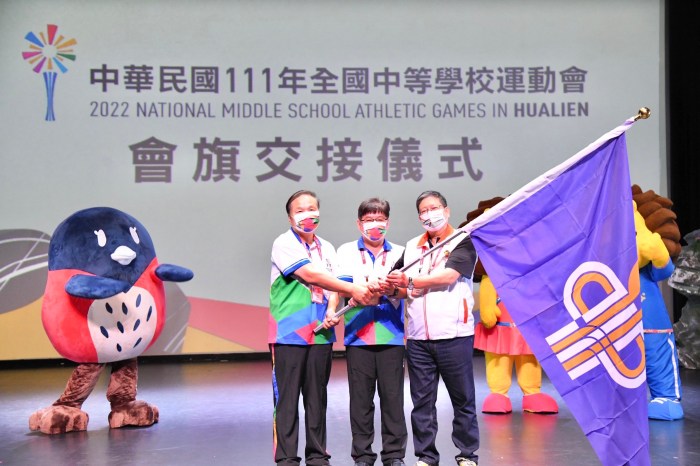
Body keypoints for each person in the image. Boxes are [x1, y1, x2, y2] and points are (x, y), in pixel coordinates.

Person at [270, 190, 374, 466]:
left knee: (317, 398)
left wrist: (332, 308)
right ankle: (287, 459)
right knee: (287, 399)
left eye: (311, 209)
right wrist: (353, 289)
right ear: (290, 217)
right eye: (300, 210)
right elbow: (311, 275)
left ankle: (317, 456)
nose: (307, 214)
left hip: (322, 333)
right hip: (289, 333)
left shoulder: (326, 247)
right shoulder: (284, 243)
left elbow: (333, 285)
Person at [386, 190, 479, 466]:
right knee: (422, 403)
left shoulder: (463, 240)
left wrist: (408, 281)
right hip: (418, 338)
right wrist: (388, 287)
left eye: (434, 208)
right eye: (423, 211)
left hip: (454, 335)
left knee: (462, 399)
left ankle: (467, 454)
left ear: (446, 211)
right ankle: (426, 456)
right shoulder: (412, 246)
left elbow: (448, 276)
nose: (430, 215)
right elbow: (398, 284)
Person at [326, 198, 408, 466]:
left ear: (388, 223)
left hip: (391, 335)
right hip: (357, 336)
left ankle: (394, 455)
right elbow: (341, 287)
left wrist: (390, 289)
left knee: (392, 399)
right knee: (361, 401)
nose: (375, 224)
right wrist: (336, 306)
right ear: (359, 223)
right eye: (369, 219)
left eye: (380, 219)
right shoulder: (346, 251)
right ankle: (362, 455)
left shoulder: (401, 252)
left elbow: (407, 290)